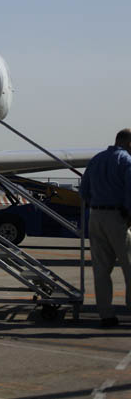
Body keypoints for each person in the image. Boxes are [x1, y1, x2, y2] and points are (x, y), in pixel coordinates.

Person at [79, 128, 131, 328]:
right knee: (129, 265)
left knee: (101, 269)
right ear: (128, 144)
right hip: (118, 217)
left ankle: (106, 315)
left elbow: (84, 191)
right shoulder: (126, 162)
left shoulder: (96, 160)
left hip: (96, 216)